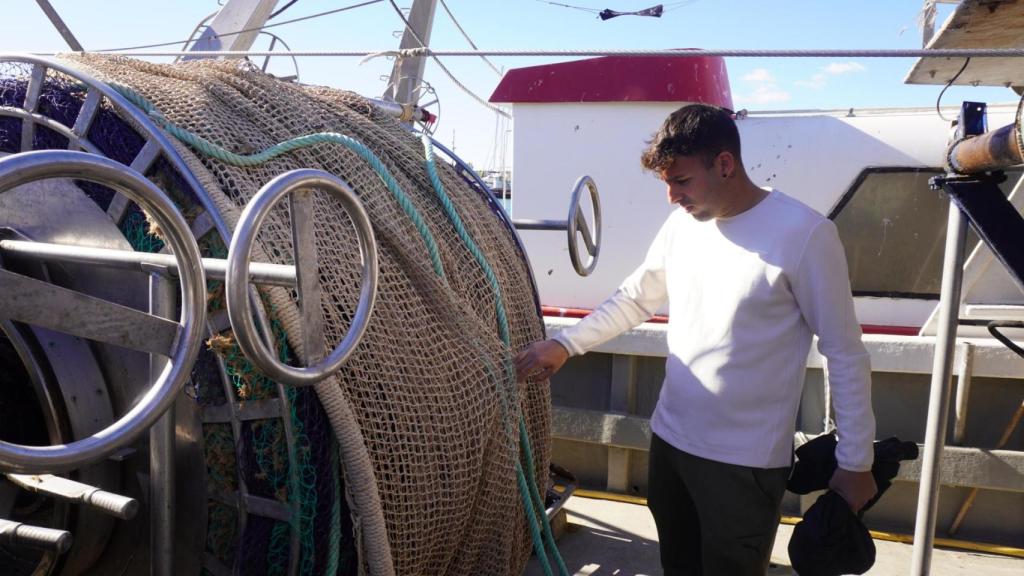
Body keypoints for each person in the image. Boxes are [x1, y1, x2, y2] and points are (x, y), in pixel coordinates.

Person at [514, 104, 877, 576]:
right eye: (667, 183)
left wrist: (855, 461)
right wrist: (566, 345)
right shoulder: (684, 225)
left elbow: (844, 352)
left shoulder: (805, 234)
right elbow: (635, 298)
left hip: (743, 465)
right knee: (677, 565)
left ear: (724, 164)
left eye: (681, 181)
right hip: (670, 444)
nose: (671, 197)